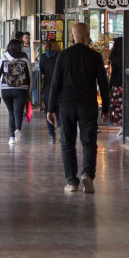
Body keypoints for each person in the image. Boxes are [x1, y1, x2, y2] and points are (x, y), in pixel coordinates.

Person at [47, 22, 109, 193]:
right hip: (88, 104)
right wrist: (105, 108)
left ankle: (71, 182)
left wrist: (50, 109)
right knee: (89, 142)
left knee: (67, 143)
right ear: (87, 36)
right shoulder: (95, 56)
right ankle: (88, 173)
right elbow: (103, 84)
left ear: (73, 36)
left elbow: (55, 83)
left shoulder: (63, 55)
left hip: (66, 105)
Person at [0, 39, 32, 145]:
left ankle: (11, 137)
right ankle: (18, 130)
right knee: (18, 112)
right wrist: (28, 91)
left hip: (6, 90)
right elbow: (29, 77)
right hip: (21, 89)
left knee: (11, 113)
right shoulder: (24, 59)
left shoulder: (4, 58)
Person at [38, 38, 61, 143]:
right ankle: (60, 130)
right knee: (59, 111)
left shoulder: (43, 57)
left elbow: (41, 70)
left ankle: (52, 135)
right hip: (60, 87)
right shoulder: (61, 56)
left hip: (47, 87)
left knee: (49, 110)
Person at [108, 37, 124, 138]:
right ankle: (125, 126)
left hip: (117, 86)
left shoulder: (115, 58)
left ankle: (122, 125)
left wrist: (110, 87)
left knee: (116, 107)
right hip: (125, 85)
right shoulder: (127, 57)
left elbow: (113, 74)